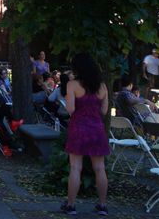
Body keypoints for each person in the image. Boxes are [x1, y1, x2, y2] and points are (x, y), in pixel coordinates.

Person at [61, 53, 109, 216]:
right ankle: (102, 205)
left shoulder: (72, 85)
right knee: (99, 168)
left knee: (75, 167)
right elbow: (104, 110)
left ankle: (71, 205)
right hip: (97, 129)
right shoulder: (102, 86)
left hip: (79, 128)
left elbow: (71, 109)